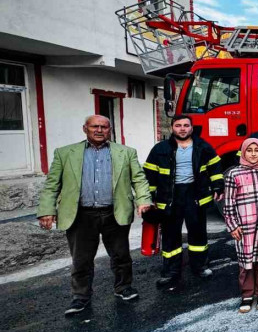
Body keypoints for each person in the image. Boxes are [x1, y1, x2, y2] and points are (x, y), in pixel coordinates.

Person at [37, 115, 152, 315]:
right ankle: (80, 297)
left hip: (114, 213)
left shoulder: (125, 152)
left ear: (110, 130)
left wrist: (143, 200)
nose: (99, 130)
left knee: (121, 255)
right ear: (85, 129)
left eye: (104, 127)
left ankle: (123, 288)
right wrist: (47, 209)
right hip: (81, 215)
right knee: (81, 259)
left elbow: (139, 179)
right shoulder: (65, 153)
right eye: (94, 126)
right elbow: (52, 184)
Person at [144, 115, 224, 292]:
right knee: (170, 234)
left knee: (198, 232)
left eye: (186, 125)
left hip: (195, 195)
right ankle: (171, 271)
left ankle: (200, 267)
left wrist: (218, 185)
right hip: (170, 197)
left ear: (191, 128)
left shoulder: (203, 146)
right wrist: (147, 199)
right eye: (178, 125)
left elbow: (216, 167)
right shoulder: (160, 149)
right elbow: (149, 174)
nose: (182, 128)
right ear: (172, 128)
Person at [223, 139, 258, 313]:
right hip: (244, 224)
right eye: (249, 150)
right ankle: (247, 294)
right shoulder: (234, 173)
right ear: (243, 153)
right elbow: (228, 202)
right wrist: (232, 225)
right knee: (246, 260)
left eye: (257, 150)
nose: (253, 154)